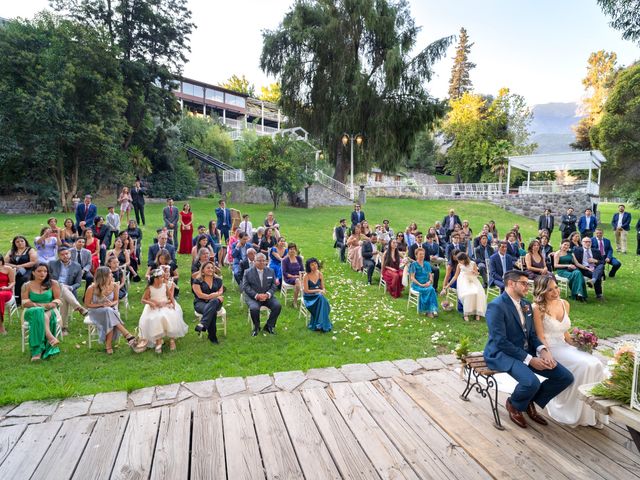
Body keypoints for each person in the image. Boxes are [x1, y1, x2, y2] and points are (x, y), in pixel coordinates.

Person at [484, 270, 574, 429]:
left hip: (527, 351)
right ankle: (514, 404)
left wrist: (543, 350)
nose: (528, 287)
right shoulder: (496, 306)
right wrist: (530, 360)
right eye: (524, 283)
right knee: (531, 382)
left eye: (528, 284)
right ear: (511, 284)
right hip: (502, 353)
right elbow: (500, 341)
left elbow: (532, 334)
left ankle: (527, 401)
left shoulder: (526, 305)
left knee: (564, 377)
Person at [532, 276, 607, 427]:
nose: (555, 292)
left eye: (556, 287)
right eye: (550, 290)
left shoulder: (564, 304)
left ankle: (591, 412)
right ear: (542, 291)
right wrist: (547, 354)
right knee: (584, 365)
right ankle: (571, 410)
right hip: (550, 349)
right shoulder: (537, 308)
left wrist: (581, 344)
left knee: (595, 363)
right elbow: (540, 336)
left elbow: (565, 333)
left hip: (565, 347)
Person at [84, 266, 137, 355]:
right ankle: (127, 335)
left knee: (108, 312)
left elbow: (116, 300)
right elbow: (87, 304)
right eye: (110, 273)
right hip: (95, 311)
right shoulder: (92, 288)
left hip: (110, 309)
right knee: (108, 312)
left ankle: (109, 345)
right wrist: (101, 304)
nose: (112, 274)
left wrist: (111, 304)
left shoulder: (115, 285)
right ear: (104, 276)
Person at [138, 268, 187, 353]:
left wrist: (172, 305)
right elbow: (143, 300)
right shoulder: (149, 288)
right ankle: (158, 340)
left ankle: (172, 339)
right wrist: (151, 303)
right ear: (155, 279)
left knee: (169, 316)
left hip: (165, 305)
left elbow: (171, 297)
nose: (163, 279)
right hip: (154, 308)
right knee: (155, 318)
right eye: (161, 277)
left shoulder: (164, 286)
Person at [22, 263, 62, 361]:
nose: (42, 273)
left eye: (45, 271)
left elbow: (58, 299)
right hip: (31, 311)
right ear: (33, 273)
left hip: (49, 310)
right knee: (38, 311)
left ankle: (37, 352)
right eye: (39, 271)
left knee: (41, 315)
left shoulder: (53, 283)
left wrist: (53, 304)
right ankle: (50, 337)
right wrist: (37, 306)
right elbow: (24, 302)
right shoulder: (26, 285)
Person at [49, 247, 88, 334]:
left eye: (66, 254)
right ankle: (79, 307)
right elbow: (47, 279)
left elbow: (78, 283)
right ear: (58, 256)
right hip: (53, 289)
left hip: (67, 291)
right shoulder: (52, 264)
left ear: (70, 254)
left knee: (63, 298)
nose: (65, 256)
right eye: (62, 255)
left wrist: (70, 287)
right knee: (61, 285)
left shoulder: (77, 266)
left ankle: (64, 327)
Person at [242, 253, 281, 336]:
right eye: (259, 261)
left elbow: (274, 285)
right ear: (254, 261)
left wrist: (267, 294)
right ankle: (256, 327)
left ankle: (269, 326)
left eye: (264, 261)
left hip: (267, 296)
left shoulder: (270, 271)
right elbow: (245, 286)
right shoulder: (248, 272)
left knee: (277, 306)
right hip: (253, 297)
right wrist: (257, 295)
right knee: (254, 308)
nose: (262, 262)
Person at [442, 252, 486, 321]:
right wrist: (448, 285)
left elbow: (477, 273)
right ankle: (466, 314)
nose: (458, 262)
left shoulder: (472, 263)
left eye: (460, 260)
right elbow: (455, 276)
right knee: (467, 294)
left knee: (478, 293)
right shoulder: (459, 265)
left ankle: (477, 313)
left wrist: (475, 273)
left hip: (473, 281)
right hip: (463, 282)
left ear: (464, 259)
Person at [192, 261, 224, 344]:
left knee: (214, 302)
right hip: (200, 303)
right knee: (212, 311)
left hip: (215, 302)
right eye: (208, 268)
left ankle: (203, 324)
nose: (211, 269)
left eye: (212, 268)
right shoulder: (197, 281)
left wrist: (215, 296)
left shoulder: (218, 280)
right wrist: (212, 295)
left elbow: (221, 291)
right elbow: (199, 295)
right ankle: (212, 337)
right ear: (202, 270)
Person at [303, 258, 332, 332]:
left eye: (315, 264)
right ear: (309, 266)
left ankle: (319, 324)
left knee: (321, 298)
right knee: (322, 299)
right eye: (312, 265)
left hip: (318, 296)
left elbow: (323, 287)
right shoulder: (306, 276)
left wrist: (323, 290)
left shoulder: (320, 274)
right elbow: (306, 290)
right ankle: (320, 324)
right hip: (309, 297)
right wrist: (318, 290)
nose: (314, 266)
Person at [408, 248, 438, 317]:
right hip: (417, 285)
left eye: (423, 254)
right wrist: (420, 284)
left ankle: (431, 309)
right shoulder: (413, 265)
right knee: (430, 290)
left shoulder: (427, 264)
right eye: (420, 254)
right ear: (416, 255)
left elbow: (430, 276)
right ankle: (429, 311)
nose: (422, 256)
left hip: (426, 283)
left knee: (432, 289)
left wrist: (429, 282)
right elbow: (412, 277)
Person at [573, 237, 604, 301]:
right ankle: (599, 294)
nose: (587, 243)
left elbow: (603, 262)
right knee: (597, 274)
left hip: (595, 268)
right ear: (582, 243)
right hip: (584, 269)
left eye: (589, 242)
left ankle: (593, 280)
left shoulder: (596, 251)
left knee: (600, 266)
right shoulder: (577, 250)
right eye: (585, 242)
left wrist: (595, 261)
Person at [281, 243, 303, 307]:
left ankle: (306, 299)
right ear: (288, 250)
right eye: (291, 249)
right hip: (289, 278)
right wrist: (294, 276)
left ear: (296, 250)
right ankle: (295, 301)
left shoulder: (299, 258)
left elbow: (302, 270)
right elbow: (285, 273)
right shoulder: (285, 260)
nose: (292, 250)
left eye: (294, 249)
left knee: (303, 281)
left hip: (299, 276)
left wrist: (300, 276)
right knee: (298, 281)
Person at [0, 257, 16, 334]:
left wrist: (7, 287)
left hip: (5, 290)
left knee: (0, 296)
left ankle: (1, 326)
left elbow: (13, 282)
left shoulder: (8, 268)